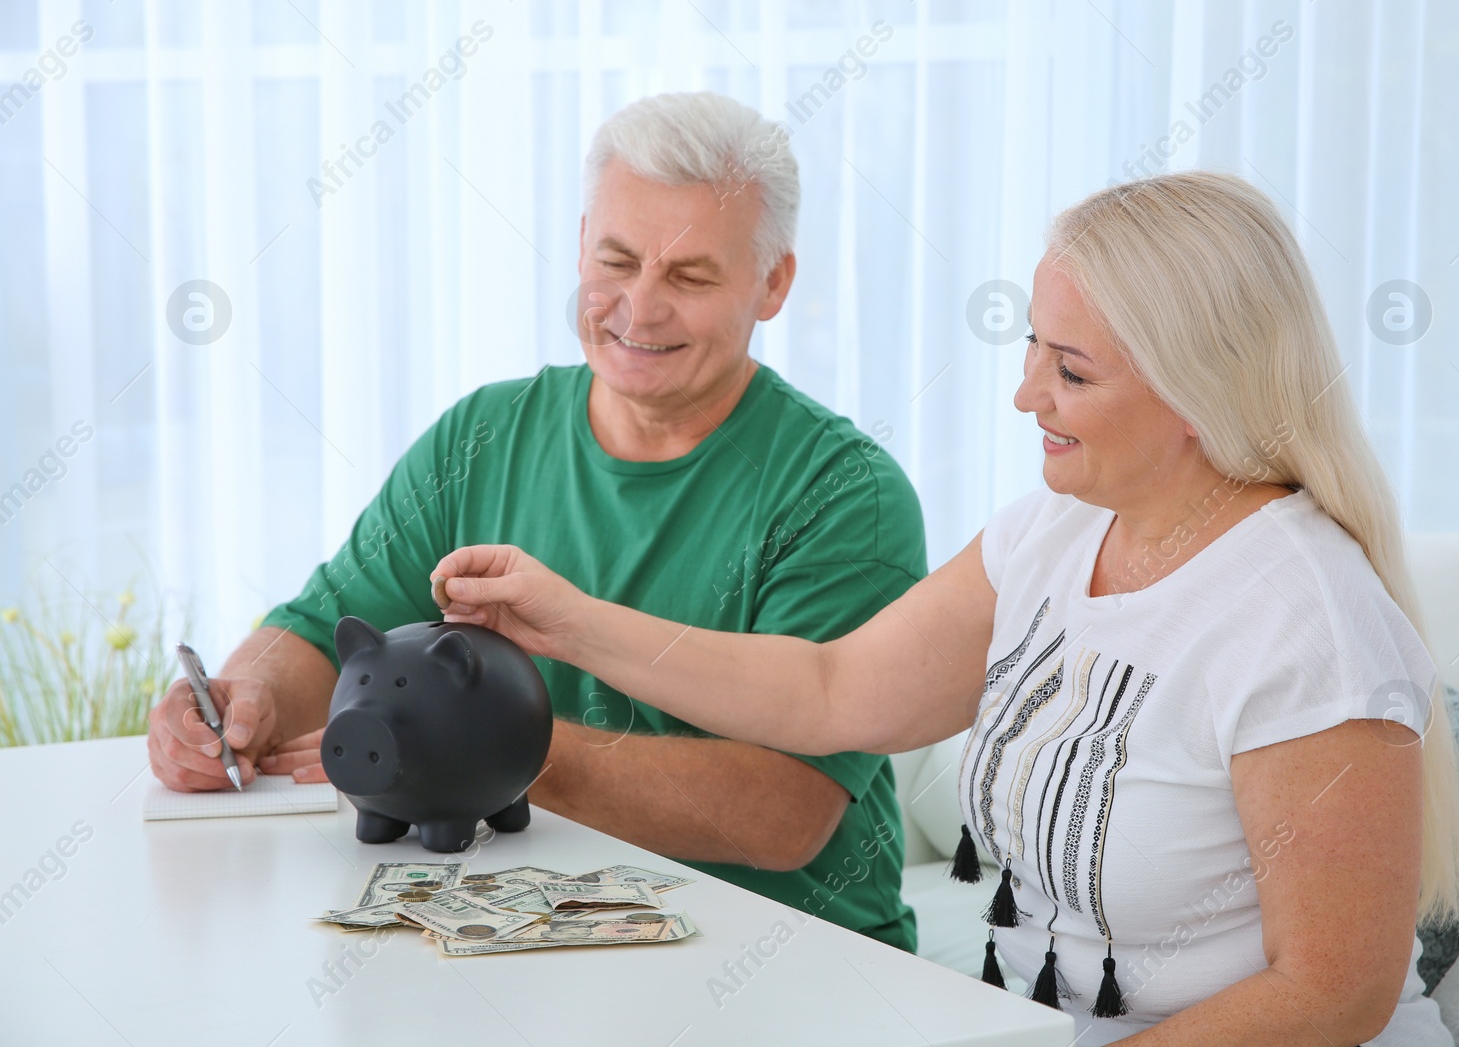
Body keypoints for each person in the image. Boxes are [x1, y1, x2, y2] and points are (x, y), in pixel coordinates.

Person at [424, 172, 1459, 1045]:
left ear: (1201, 391)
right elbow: (833, 689)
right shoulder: (1053, 532)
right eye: (1031, 347)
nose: (1026, 395)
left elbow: (1330, 992)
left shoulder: (1301, 620)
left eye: (1069, 369)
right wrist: (571, 620)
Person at [146, 92, 924, 953]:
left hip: (791, 959)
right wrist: (239, 699)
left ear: (773, 281)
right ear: (583, 239)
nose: (638, 308)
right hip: (521, 941)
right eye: (616, 261)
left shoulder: (846, 493)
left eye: (690, 276)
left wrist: (475, 749)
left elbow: (782, 813)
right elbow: (322, 629)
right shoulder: (484, 436)